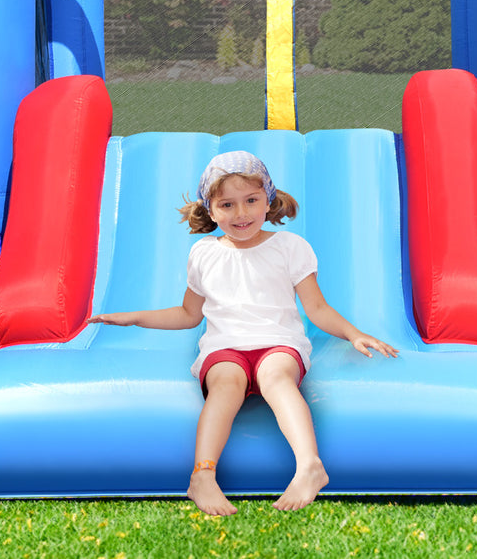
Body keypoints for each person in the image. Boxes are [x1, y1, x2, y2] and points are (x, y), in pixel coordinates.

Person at [86, 151, 399, 516]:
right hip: (225, 347)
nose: (241, 214)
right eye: (227, 205)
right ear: (211, 210)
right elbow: (189, 314)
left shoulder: (289, 247)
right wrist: (134, 317)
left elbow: (317, 308)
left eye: (251, 200)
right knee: (225, 383)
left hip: (278, 343)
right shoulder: (204, 253)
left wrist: (354, 334)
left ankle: (309, 465)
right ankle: (202, 476)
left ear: (269, 199)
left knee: (276, 376)